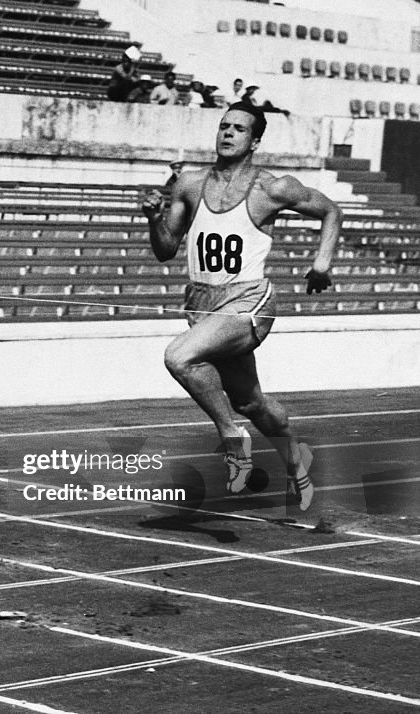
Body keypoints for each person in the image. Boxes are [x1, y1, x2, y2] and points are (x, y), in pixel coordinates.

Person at [140, 102, 341, 512]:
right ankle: (297, 464)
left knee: (179, 356)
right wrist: (152, 217)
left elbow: (330, 211)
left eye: (239, 129)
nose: (228, 134)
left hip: (249, 300)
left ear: (255, 140)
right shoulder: (189, 184)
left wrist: (321, 263)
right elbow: (165, 250)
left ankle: (232, 437)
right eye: (224, 126)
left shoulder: (271, 187)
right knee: (252, 403)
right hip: (202, 302)